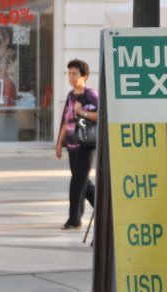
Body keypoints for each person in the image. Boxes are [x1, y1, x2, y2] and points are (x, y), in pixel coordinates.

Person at [55, 59, 97, 230]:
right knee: (83, 181)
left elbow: (101, 115)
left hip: (86, 143)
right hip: (72, 143)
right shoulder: (71, 95)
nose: (71, 77)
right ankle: (104, 209)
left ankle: (74, 219)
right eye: (69, 74)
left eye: (75, 74)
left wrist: (82, 112)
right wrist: (59, 143)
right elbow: (66, 120)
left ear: (84, 76)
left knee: (77, 181)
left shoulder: (91, 94)